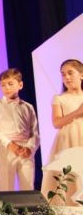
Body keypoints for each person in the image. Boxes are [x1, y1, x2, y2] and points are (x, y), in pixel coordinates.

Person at [0, 68, 39, 191]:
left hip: (25, 149)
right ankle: (4, 210)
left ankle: (28, 210)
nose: (7, 88)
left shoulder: (28, 107)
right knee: (5, 185)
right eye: (3, 85)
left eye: (10, 84)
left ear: (20, 85)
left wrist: (30, 148)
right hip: (6, 148)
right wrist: (9, 144)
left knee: (27, 185)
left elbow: (34, 131)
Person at [41, 59, 83, 204]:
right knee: (71, 175)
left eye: (70, 73)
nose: (67, 77)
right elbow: (57, 122)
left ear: (81, 74)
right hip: (68, 141)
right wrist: (77, 112)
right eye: (63, 74)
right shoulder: (59, 98)